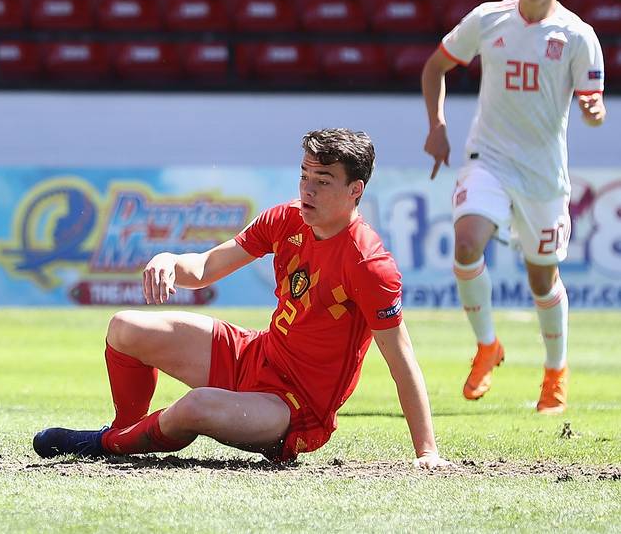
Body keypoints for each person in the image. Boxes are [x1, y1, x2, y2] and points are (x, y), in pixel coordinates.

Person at [34, 129, 450, 470]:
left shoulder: (369, 265)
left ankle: (107, 444)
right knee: (125, 327)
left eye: (322, 181)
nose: (307, 189)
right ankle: (126, 429)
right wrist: (169, 260)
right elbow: (204, 269)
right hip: (256, 354)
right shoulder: (285, 218)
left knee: (195, 407)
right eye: (304, 176)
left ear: (355, 190)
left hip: (293, 408)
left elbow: (401, 361)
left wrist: (427, 451)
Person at [421, 0, 607, 415]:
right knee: (466, 244)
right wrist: (437, 125)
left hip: (543, 176)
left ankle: (555, 372)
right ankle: (487, 345)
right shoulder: (489, 19)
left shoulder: (578, 36)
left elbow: (593, 107)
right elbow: (435, 67)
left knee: (542, 280)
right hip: (489, 158)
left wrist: (593, 111)